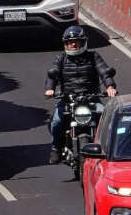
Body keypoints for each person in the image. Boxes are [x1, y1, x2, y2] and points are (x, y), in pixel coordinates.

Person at [45, 25, 117, 163]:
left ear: (83, 42)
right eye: (70, 42)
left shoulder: (93, 56)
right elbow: (52, 75)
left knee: (106, 120)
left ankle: (108, 149)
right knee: (56, 122)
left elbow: (104, 72)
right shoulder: (60, 59)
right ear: (65, 44)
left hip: (91, 98)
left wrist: (110, 86)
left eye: (76, 41)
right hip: (68, 99)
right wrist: (50, 89)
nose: (73, 44)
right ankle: (56, 148)